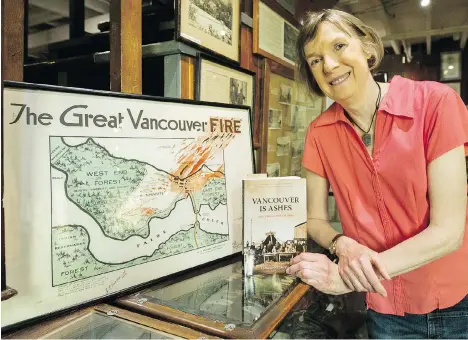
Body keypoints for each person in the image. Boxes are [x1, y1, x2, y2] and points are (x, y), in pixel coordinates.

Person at [285, 9, 468, 339]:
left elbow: (449, 231)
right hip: (384, 309)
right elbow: (315, 220)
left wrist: (346, 279)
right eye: (314, 60)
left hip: (456, 305)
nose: (328, 65)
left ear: (366, 47)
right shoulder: (319, 132)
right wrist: (343, 244)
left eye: (338, 46)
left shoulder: (435, 103)